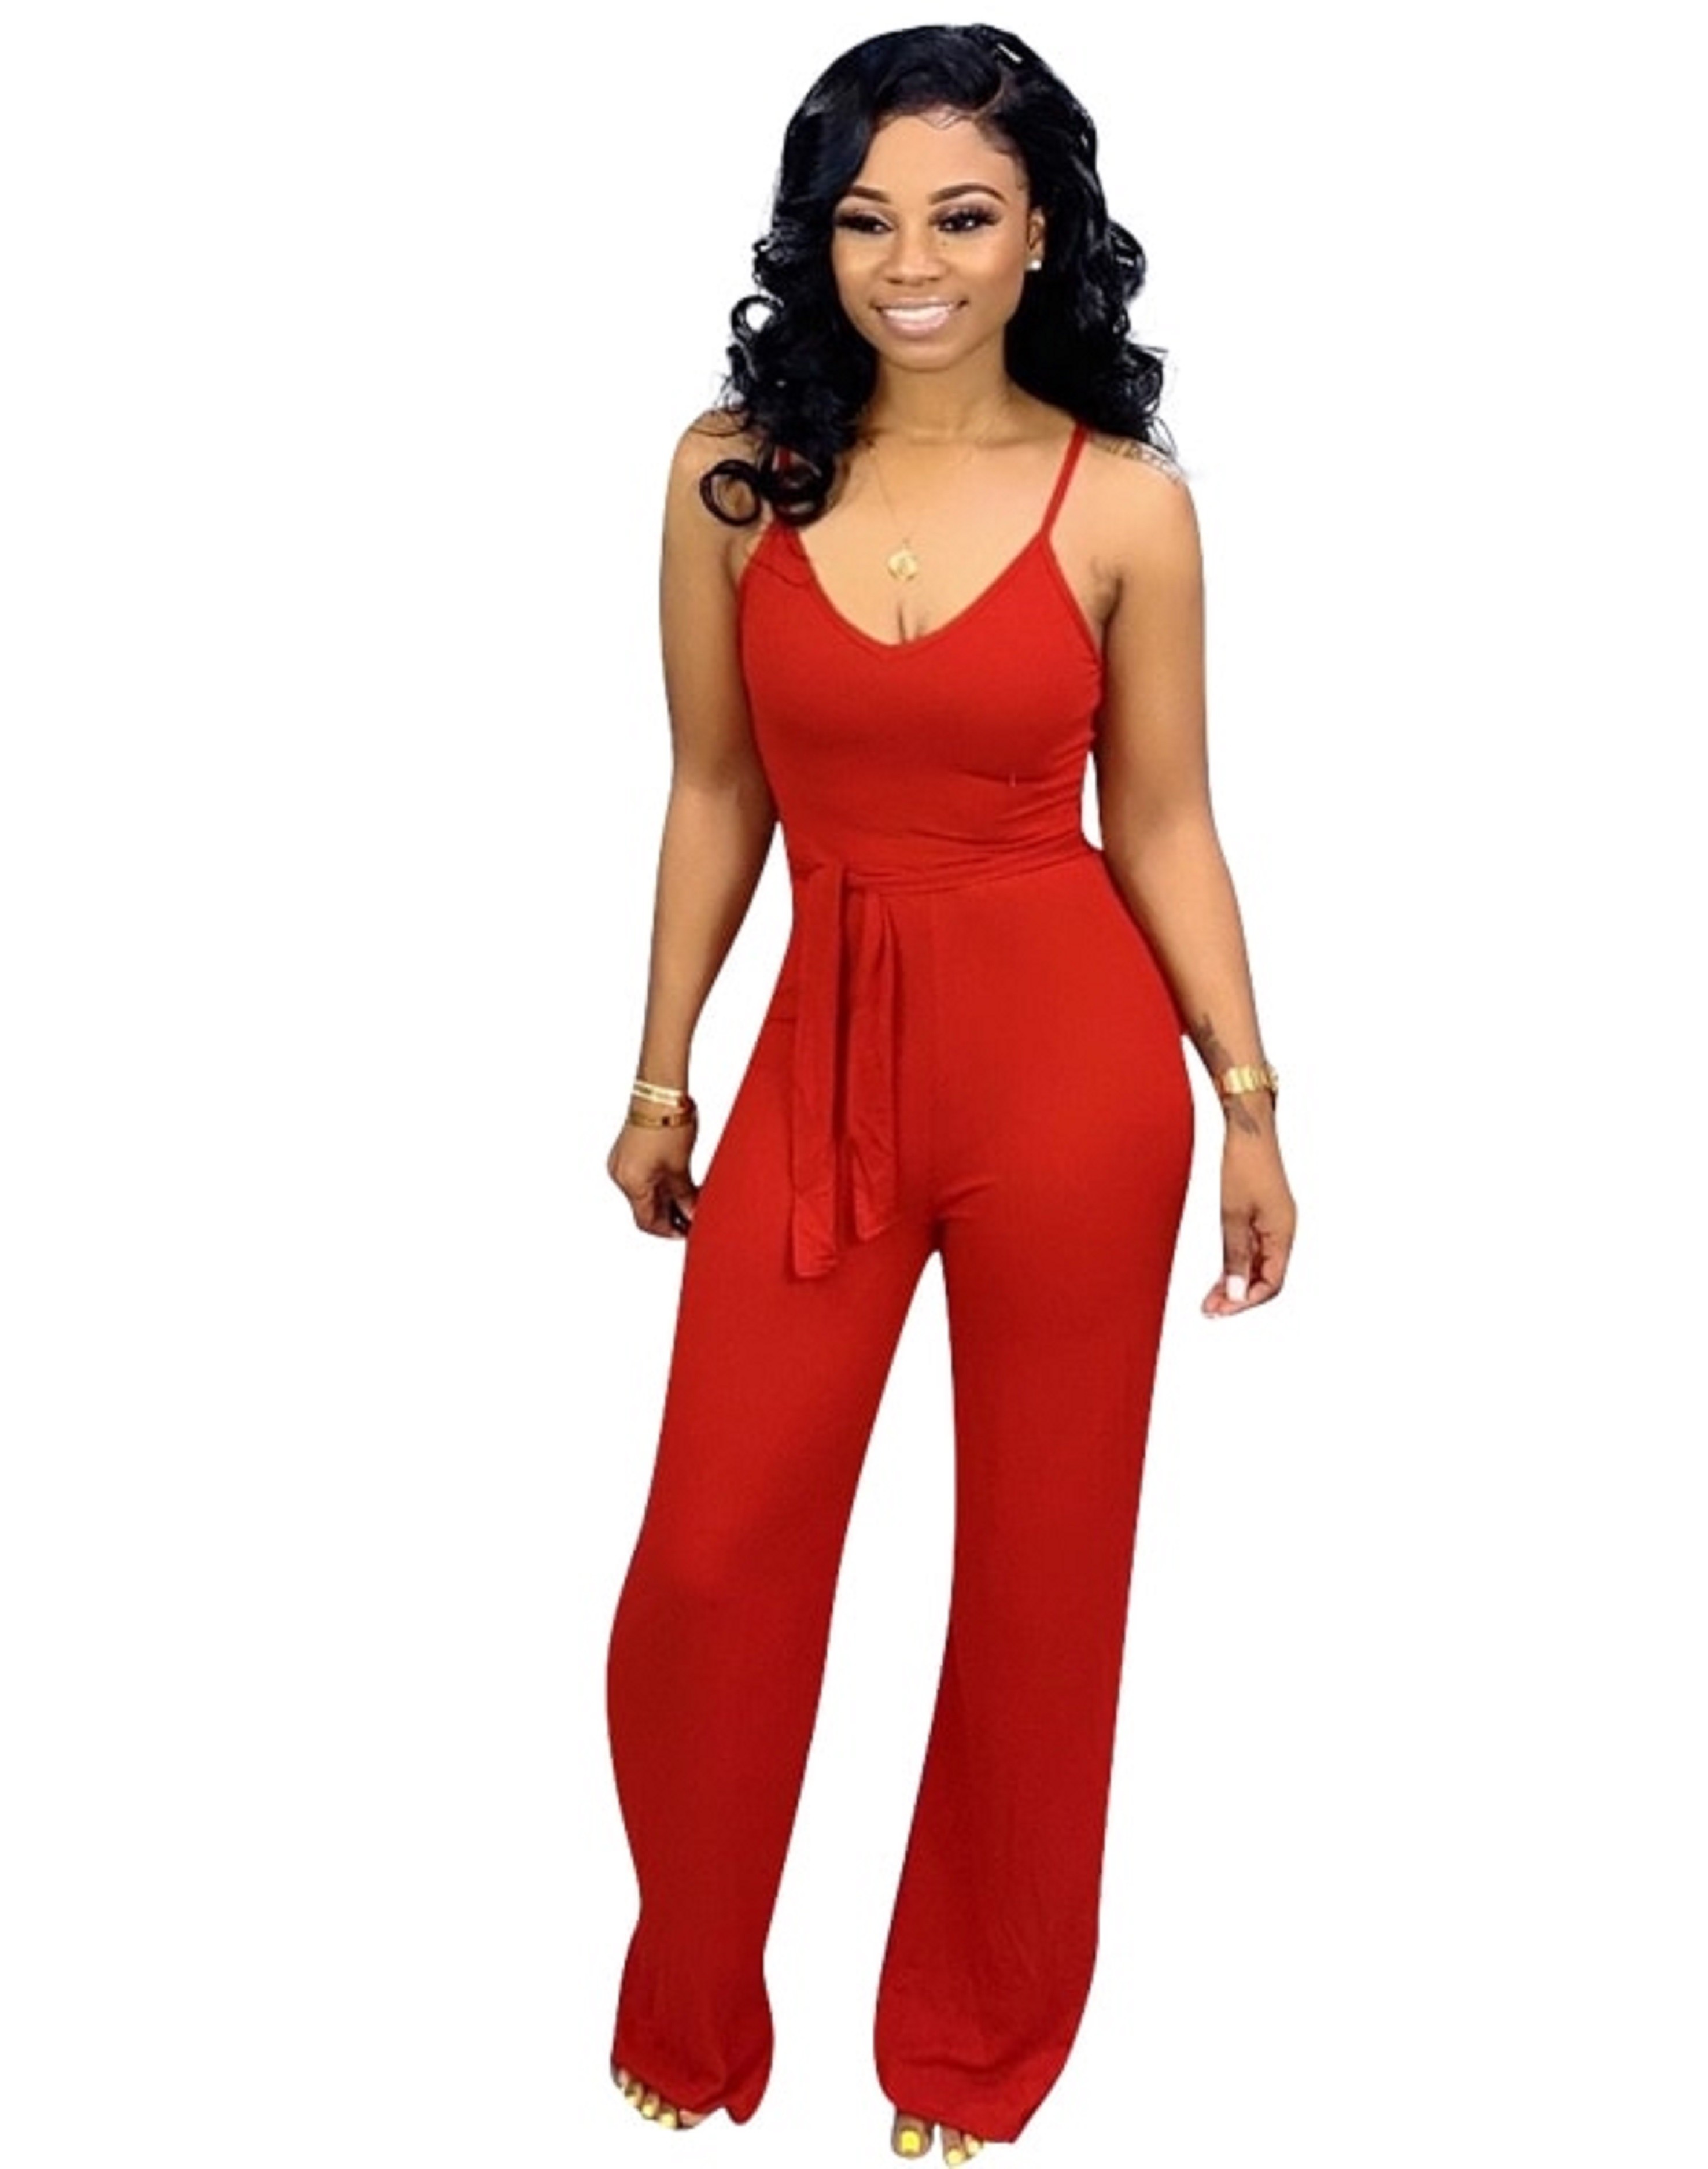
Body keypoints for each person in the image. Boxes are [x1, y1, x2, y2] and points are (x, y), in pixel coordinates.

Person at [602, 24, 1296, 2162]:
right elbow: (715, 790)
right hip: (824, 1052)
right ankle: (692, 2000)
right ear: (816, 239)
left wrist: (1249, 1096)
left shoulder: (1129, 507)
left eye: (963, 217)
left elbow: (1162, 821)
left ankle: (972, 2051)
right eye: (867, 219)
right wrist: (660, 1074)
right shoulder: (733, 478)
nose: (911, 262)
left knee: (1040, 1576)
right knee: (711, 1558)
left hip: (1071, 1075)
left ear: (1044, 237)